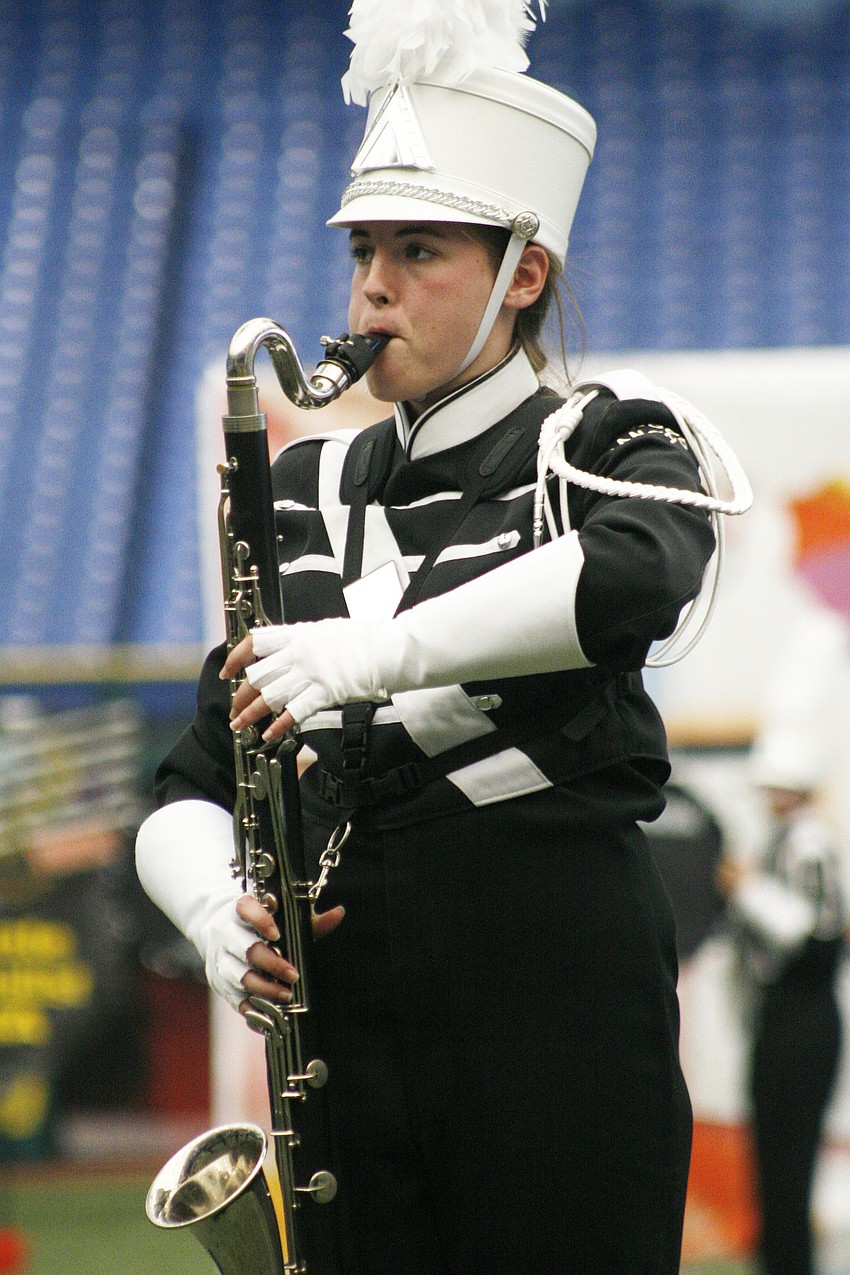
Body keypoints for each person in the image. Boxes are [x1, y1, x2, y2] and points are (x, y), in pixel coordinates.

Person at [136, 3, 749, 1271]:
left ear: (521, 274)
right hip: (349, 1025)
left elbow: (637, 578)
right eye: (365, 249)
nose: (372, 288)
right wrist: (215, 916)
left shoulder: (605, 440)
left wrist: (366, 654)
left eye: (420, 251)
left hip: (555, 1009)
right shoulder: (300, 493)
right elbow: (194, 782)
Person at [719, 727, 846, 1275]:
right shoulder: (790, 842)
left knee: (786, 1159)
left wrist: (747, 888)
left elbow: (810, 935)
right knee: (775, 1156)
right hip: (787, 1018)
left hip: (802, 1018)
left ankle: (788, 1262)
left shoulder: (808, 845)